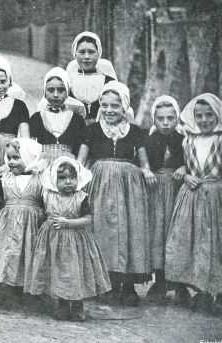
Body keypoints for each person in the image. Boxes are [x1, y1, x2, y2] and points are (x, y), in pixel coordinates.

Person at [78, 81, 155, 306]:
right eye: (105, 105)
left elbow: (144, 162)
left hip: (128, 187)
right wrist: (78, 179)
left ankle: (128, 284)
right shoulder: (92, 129)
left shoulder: (135, 131)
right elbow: (80, 161)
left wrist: (147, 171)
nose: (110, 110)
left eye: (115, 105)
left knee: (129, 231)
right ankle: (106, 282)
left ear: (125, 107)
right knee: (103, 231)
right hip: (100, 184)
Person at [26, 157, 110, 321]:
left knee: (73, 272)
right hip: (53, 241)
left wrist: (69, 223)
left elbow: (88, 219)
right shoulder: (48, 195)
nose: (68, 182)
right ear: (53, 180)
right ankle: (62, 304)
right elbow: (43, 214)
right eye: (62, 178)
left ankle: (77, 305)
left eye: (72, 178)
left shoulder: (81, 197)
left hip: (75, 241)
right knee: (58, 272)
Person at [165, 94, 222, 313]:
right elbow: (183, 165)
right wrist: (186, 174)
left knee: (212, 243)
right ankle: (193, 289)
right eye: (199, 116)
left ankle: (212, 290)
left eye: (210, 115)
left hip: (216, 195)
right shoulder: (188, 139)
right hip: (191, 195)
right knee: (189, 241)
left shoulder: (220, 139)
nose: (204, 120)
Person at [0, 138, 45, 297]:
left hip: (31, 222)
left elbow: (46, 201)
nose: (11, 162)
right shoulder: (5, 177)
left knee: (27, 252)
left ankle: (27, 291)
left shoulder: (41, 178)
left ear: (30, 157)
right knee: (7, 252)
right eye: (9, 158)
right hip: (7, 221)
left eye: (16, 158)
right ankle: (6, 288)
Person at [144, 95, 185, 301]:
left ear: (177, 118)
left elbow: (193, 159)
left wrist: (184, 167)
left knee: (176, 234)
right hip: (156, 193)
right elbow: (142, 163)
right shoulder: (149, 139)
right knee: (158, 234)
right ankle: (160, 280)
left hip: (178, 192)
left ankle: (179, 284)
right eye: (161, 119)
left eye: (170, 118)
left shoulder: (183, 140)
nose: (166, 123)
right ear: (154, 119)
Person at [29, 67, 87, 163]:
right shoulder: (37, 118)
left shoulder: (77, 119)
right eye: (51, 90)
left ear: (67, 92)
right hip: (43, 165)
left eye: (61, 90)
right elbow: (30, 146)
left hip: (68, 165)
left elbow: (82, 145)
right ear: (44, 92)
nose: (55, 95)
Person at [66, 32, 117, 125]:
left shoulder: (109, 81)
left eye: (91, 52)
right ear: (75, 54)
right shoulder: (67, 82)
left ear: (98, 54)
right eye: (82, 52)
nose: (86, 56)